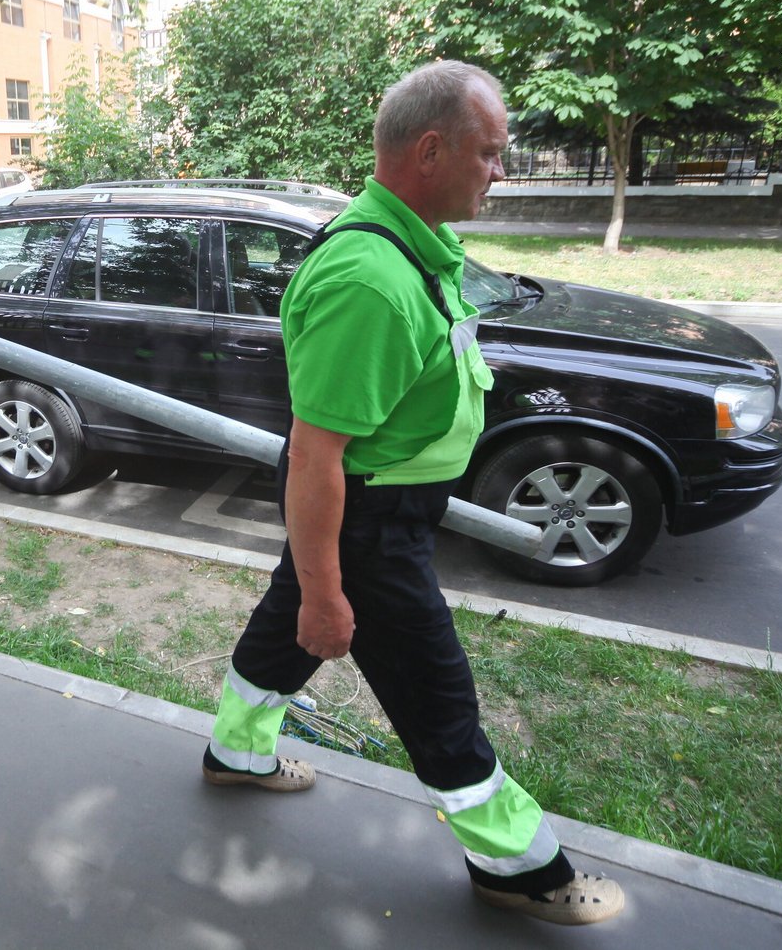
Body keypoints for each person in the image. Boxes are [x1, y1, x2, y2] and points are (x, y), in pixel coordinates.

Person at [199, 62, 626, 925]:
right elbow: (315, 458)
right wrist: (328, 587)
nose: (498, 174)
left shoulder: (405, 244)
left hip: (377, 508)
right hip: (371, 521)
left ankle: (235, 752)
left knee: (287, 638)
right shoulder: (372, 279)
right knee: (437, 696)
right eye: (490, 154)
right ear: (431, 150)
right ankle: (521, 866)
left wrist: (314, 589)